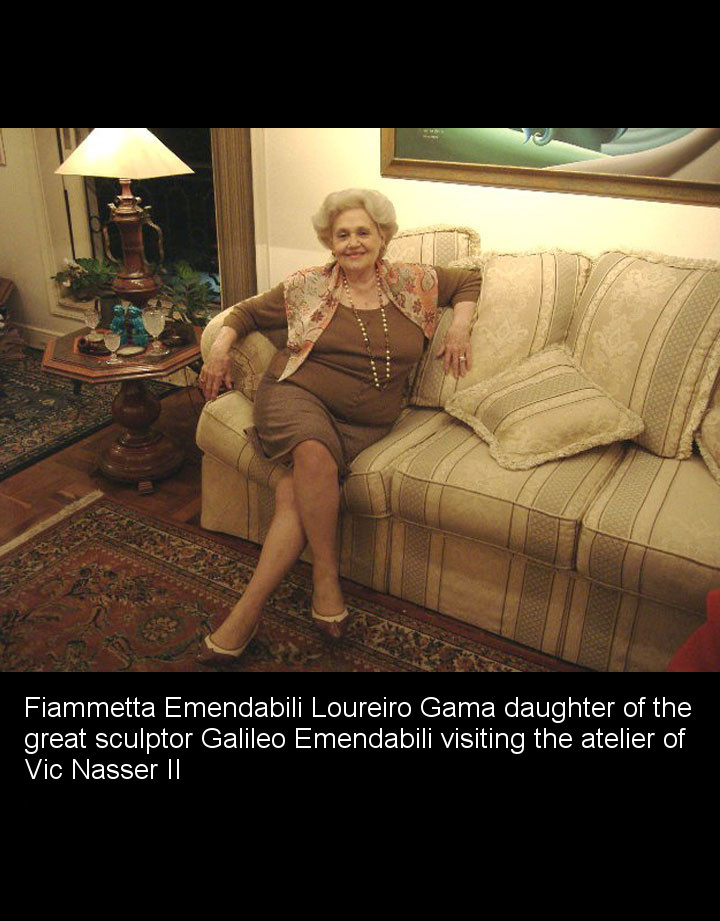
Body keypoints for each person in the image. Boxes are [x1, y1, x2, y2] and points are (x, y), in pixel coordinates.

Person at [196, 189, 483, 667]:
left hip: (365, 422)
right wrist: (220, 350)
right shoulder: (307, 286)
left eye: (363, 232)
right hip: (295, 395)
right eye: (342, 234)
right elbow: (245, 314)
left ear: (383, 237)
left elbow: (469, 280)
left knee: (294, 490)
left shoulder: (413, 282)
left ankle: (245, 615)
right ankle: (324, 580)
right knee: (312, 453)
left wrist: (459, 327)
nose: (353, 243)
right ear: (330, 243)